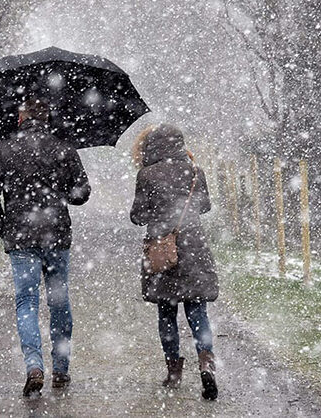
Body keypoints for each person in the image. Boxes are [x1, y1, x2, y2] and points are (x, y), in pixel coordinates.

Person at [0, 97, 90, 397]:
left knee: (26, 302)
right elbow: (82, 194)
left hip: (21, 237)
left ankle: (34, 366)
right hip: (56, 235)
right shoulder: (63, 148)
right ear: (48, 117)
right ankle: (62, 369)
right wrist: (62, 189)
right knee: (59, 300)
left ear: (20, 116)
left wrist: (2, 224)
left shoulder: (5, 148)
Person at [129, 124, 219, 400]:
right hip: (193, 247)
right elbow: (205, 206)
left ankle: (173, 371)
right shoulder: (194, 171)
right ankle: (206, 363)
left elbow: (138, 215)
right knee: (197, 311)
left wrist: (157, 212)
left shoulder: (147, 174)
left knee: (166, 312)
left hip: (161, 249)